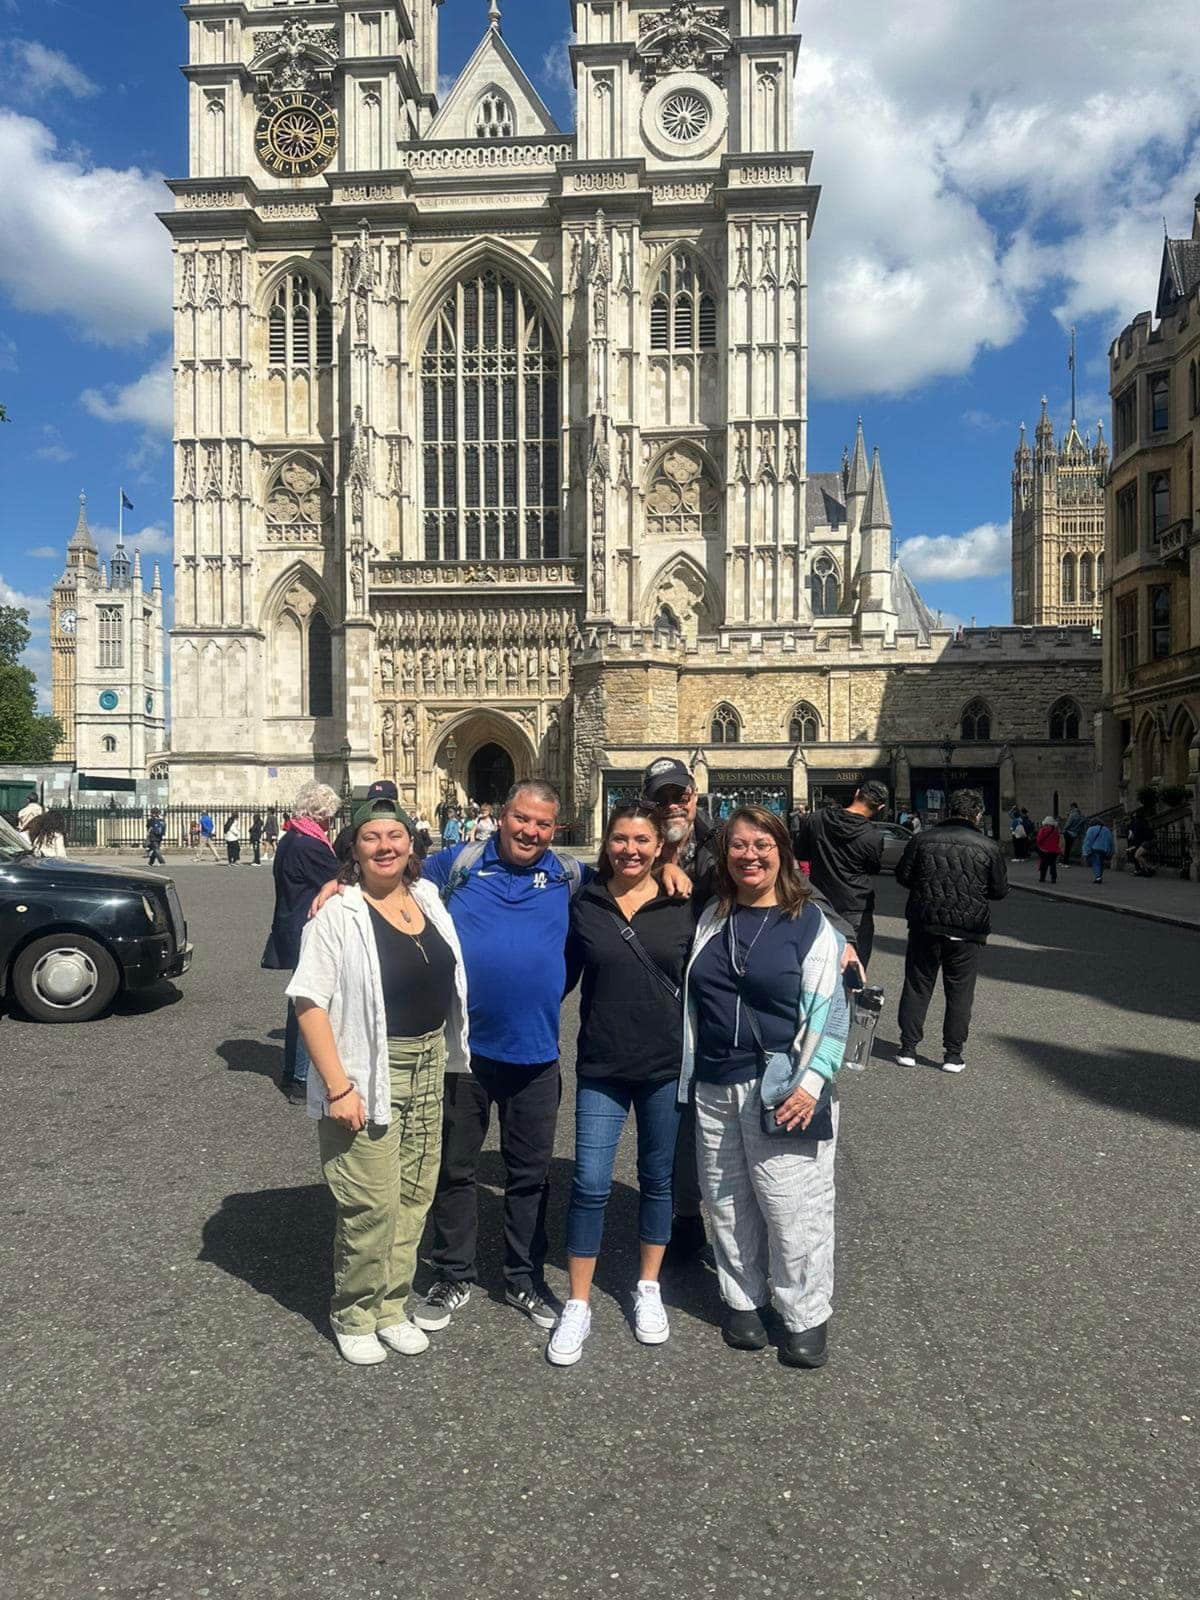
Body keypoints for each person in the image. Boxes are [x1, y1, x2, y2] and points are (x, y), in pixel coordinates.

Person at [288, 798, 471, 1366]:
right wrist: (338, 1087)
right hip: (370, 1067)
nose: (385, 846)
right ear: (354, 848)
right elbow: (308, 1001)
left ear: (412, 845)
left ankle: (391, 1305)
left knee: (414, 1194)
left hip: (429, 1061)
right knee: (369, 1200)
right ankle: (354, 1312)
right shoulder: (337, 913)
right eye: (372, 837)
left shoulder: (428, 897)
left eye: (395, 836)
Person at [681, 806, 850, 1370]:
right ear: (723, 854)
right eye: (737, 845)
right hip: (714, 1081)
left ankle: (805, 1313)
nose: (749, 856)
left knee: (792, 1206)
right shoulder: (712, 915)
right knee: (727, 1200)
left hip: (783, 1085)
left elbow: (834, 1012)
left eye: (761, 845)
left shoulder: (808, 922)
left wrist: (813, 1082)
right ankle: (743, 1299)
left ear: (782, 852)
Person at [548, 805, 695, 1366]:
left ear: (659, 847)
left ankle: (648, 1287)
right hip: (603, 1064)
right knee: (589, 1183)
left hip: (664, 1064)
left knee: (657, 1181)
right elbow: (557, 975)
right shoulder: (584, 901)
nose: (630, 849)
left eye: (641, 840)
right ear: (605, 843)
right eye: (619, 839)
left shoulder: (684, 900)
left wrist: (838, 937)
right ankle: (578, 1302)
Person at [895, 789, 1009, 1074]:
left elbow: (903, 876)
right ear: (977, 814)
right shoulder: (989, 846)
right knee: (959, 991)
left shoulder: (922, 839)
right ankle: (953, 1054)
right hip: (966, 929)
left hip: (925, 923)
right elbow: (999, 891)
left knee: (918, 984)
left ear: (949, 811)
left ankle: (908, 1048)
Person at [262, 782, 341, 1104]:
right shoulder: (309, 845)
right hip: (306, 930)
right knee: (311, 1003)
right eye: (329, 817)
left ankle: (294, 1072)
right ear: (319, 814)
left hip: (291, 926)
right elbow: (342, 878)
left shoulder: (291, 838)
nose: (330, 823)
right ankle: (300, 1077)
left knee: (301, 1002)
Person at [790, 781, 887, 967]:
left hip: (821, 900)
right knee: (854, 966)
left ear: (856, 793)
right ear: (880, 807)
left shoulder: (817, 818)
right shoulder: (873, 836)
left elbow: (800, 853)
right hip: (856, 905)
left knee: (818, 963)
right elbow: (873, 868)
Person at [1082, 817, 1115, 884]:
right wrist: (1110, 850)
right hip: (1104, 849)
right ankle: (1100, 875)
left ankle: (1098, 877)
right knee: (1101, 862)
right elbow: (1110, 840)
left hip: (1095, 848)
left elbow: (1088, 840)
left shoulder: (1091, 829)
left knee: (1095, 862)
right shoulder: (1106, 829)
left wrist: (1085, 851)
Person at [1126, 809, 1155, 876]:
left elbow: (1137, 834)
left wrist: (1134, 845)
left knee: (1137, 855)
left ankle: (1148, 868)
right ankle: (1145, 869)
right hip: (1147, 840)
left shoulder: (1137, 823)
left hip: (1147, 841)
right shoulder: (1142, 821)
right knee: (1138, 855)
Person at [1035, 815, 1062, 884]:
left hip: (1044, 850)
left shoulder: (1043, 829)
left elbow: (1039, 839)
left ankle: (1042, 878)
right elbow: (1058, 840)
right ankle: (1053, 878)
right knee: (1053, 864)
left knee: (1044, 864)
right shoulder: (1056, 831)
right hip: (1054, 850)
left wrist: (1039, 846)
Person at [1061, 802, 1085, 867]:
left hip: (1069, 833)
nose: (1070, 809)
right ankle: (1064, 862)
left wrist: (1063, 830)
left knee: (1067, 848)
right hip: (1076, 834)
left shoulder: (1072, 814)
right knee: (1069, 848)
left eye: (1071, 807)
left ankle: (1065, 862)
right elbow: (1082, 826)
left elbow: (1068, 824)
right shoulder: (1081, 815)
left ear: (1073, 807)